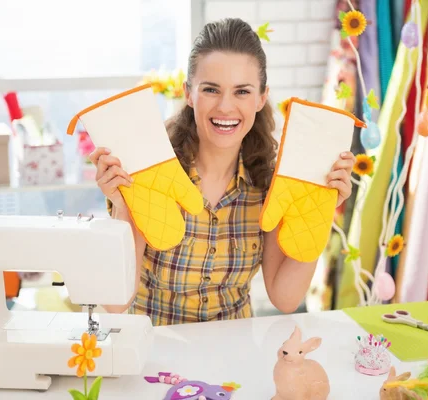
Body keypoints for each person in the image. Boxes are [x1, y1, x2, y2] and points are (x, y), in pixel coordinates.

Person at [89, 18, 355, 326]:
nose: (226, 107)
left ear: (261, 98)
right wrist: (124, 205)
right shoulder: (150, 172)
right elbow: (116, 303)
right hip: (156, 354)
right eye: (212, 90)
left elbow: (285, 298)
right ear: (189, 94)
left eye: (242, 91)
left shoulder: (270, 184)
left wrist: (318, 212)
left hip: (233, 356)